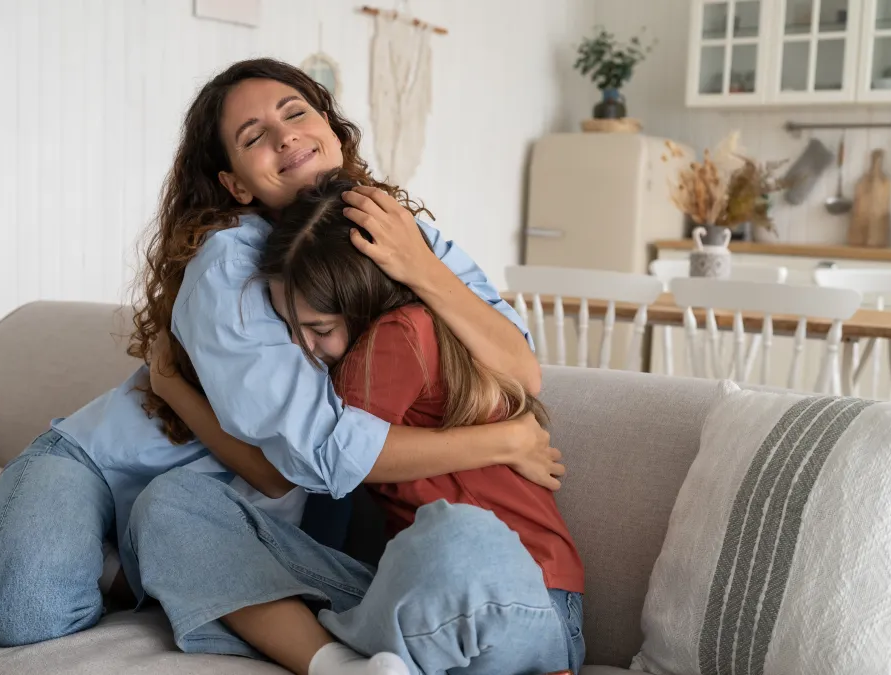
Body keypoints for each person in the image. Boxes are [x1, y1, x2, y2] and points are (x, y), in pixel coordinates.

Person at [0, 57, 562, 670]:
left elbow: (522, 371)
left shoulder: (406, 235)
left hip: (222, 503)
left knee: (183, 530)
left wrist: (421, 267)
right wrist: (505, 440)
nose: (284, 137)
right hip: (112, 460)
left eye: (296, 112)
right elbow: (312, 460)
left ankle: (130, 563)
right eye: (253, 137)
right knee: (25, 613)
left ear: (333, 128)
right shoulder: (233, 261)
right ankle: (59, 546)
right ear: (237, 185)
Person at [143, 173, 585, 675]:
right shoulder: (394, 336)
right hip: (415, 600)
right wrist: (505, 441)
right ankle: (343, 665)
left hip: (517, 592)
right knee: (173, 501)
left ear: (360, 299)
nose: (301, 348)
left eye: (318, 329)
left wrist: (174, 388)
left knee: (458, 533)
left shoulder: (395, 338)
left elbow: (316, 467)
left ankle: (354, 648)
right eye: (287, 328)